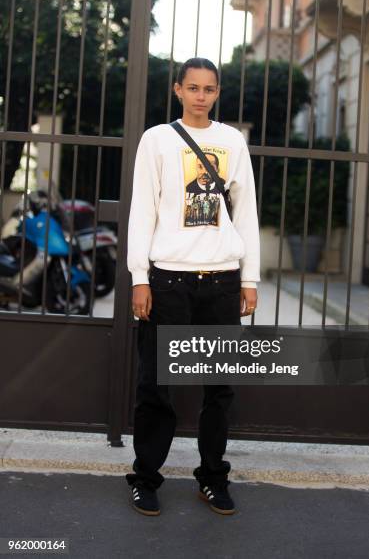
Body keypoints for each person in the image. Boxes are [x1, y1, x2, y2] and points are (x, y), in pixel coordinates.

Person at [125, 57, 260, 517]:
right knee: (157, 384)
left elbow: (245, 213)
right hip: (169, 281)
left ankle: (212, 476)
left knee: (218, 386)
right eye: (193, 87)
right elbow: (142, 211)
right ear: (178, 90)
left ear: (217, 93)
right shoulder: (157, 140)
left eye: (209, 88)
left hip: (221, 280)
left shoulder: (231, 142)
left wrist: (250, 278)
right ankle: (145, 478)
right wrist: (139, 277)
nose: (201, 95)